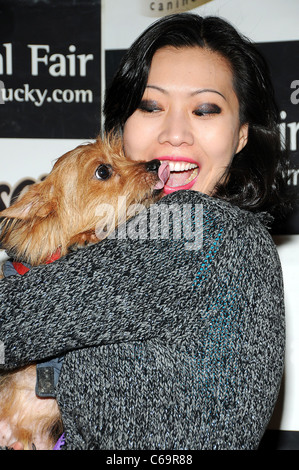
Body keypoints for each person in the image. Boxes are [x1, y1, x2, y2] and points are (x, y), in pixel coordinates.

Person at [0, 13, 291, 450]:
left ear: (242, 136)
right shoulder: (209, 242)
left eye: (205, 109)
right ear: (121, 127)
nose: (174, 133)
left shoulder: (198, 226)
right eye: (150, 106)